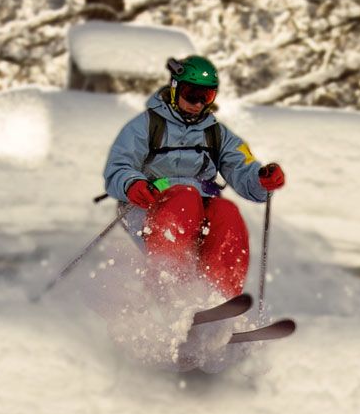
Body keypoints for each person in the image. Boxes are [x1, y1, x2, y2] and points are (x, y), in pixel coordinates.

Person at [102, 55, 286, 298]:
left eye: (206, 97)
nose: (198, 103)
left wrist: (260, 179)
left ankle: (219, 298)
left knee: (226, 212)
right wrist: (132, 184)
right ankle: (169, 292)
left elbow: (242, 166)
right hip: (149, 205)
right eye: (191, 94)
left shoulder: (216, 133)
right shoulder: (146, 125)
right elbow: (119, 166)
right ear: (176, 88)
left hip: (200, 206)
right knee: (184, 199)